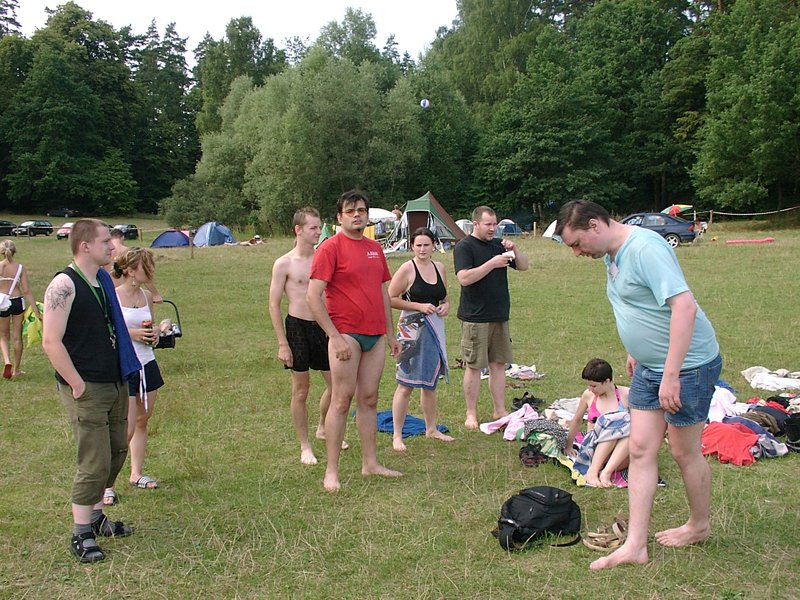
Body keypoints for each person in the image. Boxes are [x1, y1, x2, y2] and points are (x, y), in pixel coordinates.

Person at [555, 199, 721, 571]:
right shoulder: (611, 256)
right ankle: (635, 546)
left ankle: (699, 525)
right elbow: (638, 305)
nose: (577, 253)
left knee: (683, 451)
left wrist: (671, 375)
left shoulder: (645, 248)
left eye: (577, 243)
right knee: (642, 448)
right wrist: (636, 349)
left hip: (688, 367)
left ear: (595, 225)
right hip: (648, 367)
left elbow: (684, 307)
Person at [42, 219, 141, 563]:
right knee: (94, 459)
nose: (112, 246)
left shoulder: (102, 279)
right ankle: (81, 533)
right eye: (104, 241)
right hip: (87, 386)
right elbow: (50, 341)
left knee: (116, 450)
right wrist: (77, 384)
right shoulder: (64, 284)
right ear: (85, 245)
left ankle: (97, 517)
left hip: (114, 380)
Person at [307, 190, 402, 491]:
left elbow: (382, 292)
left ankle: (370, 463)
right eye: (350, 211)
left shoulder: (375, 248)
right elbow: (313, 296)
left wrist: (390, 334)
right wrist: (334, 337)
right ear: (339, 217)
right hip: (346, 334)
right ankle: (331, 471)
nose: (357, 215)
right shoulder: (330, 248)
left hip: (375, 334)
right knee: (341, 400)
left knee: (369, 399)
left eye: (361, 210)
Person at [269, 207, 342, 466]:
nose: (318, 231)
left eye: (319, 227)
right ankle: (305, 445)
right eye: (313, 227)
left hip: (324, 326)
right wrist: (282, 344)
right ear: (298, 230)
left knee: (337, 386)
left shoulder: (325, 257)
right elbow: (274, 304)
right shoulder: (284, 263)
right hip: (297, 328)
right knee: (301, 391)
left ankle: (323, 426)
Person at [454, 206, 528, 429]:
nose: (493, 228)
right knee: (474, 366)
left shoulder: (498, 245)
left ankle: (499, 409)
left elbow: (523, 266)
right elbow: (464, 278)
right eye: (488, 224)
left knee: (499, 364)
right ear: (475, 224)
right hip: (475, 316)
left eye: (495, 224)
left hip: (499, 314)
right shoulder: (464, 246)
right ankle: (471, 413)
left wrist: (515, 249)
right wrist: (492, 264)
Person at [101, 248, 164, 506]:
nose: (150, 271)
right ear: (129, 270)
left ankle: (136, 473)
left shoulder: (146, 296)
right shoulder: (114, 296)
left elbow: (151, 324)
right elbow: (108, 331)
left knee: (142, 420)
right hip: (125, 365)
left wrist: (156, 332)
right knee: (124, 428)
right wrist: (132, 334)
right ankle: (106, 484)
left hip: (147, 363)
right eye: (145, 267)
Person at [388, 227, 454, 451]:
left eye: (426, 245)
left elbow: (444, 297)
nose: (423, 249)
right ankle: (397, 435)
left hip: (434, 329)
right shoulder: (407, 268)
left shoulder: (440, 267)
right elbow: (390, 298)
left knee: (430, 382)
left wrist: (445, 306)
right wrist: (418, 306)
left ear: (434, 245)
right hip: (411, 330)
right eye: (418, 245)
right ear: (412, 246)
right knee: (405, 384)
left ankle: (431, 428)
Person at [565, 358, 630, 488]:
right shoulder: (588, 395)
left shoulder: (626, 394)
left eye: (594, 386)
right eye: (588, 385)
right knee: (614, 423)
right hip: (594, 448)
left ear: (607, 381)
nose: (590, 389)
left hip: (619, 452)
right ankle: (593, 471)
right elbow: (577, 420)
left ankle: (606, 472)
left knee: (629, 426)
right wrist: (569, 446)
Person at [0, 240, 42, 378]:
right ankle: (17, 369)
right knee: (17, 337)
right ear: (14, 251)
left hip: (2, 303)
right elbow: (26, 290)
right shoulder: (20, 268)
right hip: (17, 301)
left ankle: (7, 361)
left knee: (3, 336)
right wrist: (36, 310)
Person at [109, 228, 163, 303]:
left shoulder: (106, 253)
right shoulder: (129, 253)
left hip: (111, 290)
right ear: (122, 237)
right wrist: (156, 294)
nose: (152, 269)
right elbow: (147, 279)